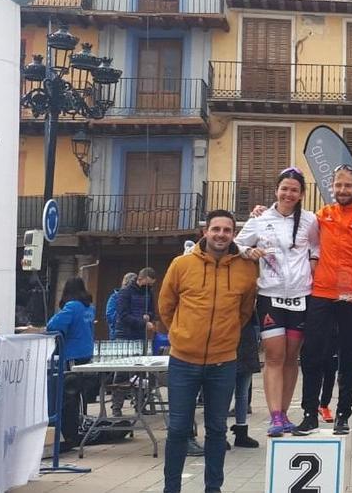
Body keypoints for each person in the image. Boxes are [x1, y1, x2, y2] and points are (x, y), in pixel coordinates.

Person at [157, 209, 259, 493]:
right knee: (178, 429)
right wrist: (182, 333)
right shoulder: (181, 264)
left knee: (217, 430)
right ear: (205, 231)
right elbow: (166, 306)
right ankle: (171, 488)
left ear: (233, 234)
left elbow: (245, 310)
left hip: (223, 363)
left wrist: (227, 337)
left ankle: (213, 488)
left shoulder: (247, 268)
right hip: (183, 361)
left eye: (227, 230)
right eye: (216, 229)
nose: (221, 235)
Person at [296, 164, 352, 435]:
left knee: (348, 357)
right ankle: (309, 413)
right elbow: (294, 223)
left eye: (348, 185)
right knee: (312, 355)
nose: (342, 190)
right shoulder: (322, 216)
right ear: (331, 187)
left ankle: (343, 413)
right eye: (338, 185)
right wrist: (262, 212)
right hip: (322, 294)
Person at [236, 167, 320, 437]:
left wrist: (313, 266)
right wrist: (250, 251)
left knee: (292, 357)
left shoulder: (310, 220)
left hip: (300, 295)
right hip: (270, 296)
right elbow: (236, 245)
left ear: (302, 194)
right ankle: (274, 416)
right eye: (284, 188)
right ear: (276, 190)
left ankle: (284, 413)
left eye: (294, 189)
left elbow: (316, 248)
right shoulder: (260, 219)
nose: (288, 193)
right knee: (274, 356)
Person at [46, 277, 96, 451]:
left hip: (72, 353)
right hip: (86, 352)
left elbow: (53, 324)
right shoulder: (89, 308)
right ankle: (77, 430)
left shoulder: (72, 307)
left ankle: (69, 434)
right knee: (79, 394)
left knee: (69, 395)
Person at [112, 266, 157, 416]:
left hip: (140, 335)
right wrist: (142, 322)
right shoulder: (125, 293)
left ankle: (140, 404)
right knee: (122, 372)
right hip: (125, 335)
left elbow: (152, 310)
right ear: (140, 279)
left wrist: (148, 316)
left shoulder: (149, 293)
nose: (149, 287)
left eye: (151, 285)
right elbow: (123, 316)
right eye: (147, 283)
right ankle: (116, 407)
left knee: (141, 372)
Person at [230, 318, 261, 448]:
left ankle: (240, 431)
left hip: (244, 337)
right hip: (233, 336)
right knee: (236, 393)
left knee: (241, 393)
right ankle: (229, 433)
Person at [105, 272, 137, 339]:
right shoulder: (115, 297)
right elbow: (110, 315)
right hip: (118, 334)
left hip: (135, 334)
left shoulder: (136, 297)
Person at [318, 325, 339, 423]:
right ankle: (313, 406)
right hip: (318, 327)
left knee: (330, 371)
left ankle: (324, 405)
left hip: (335, 332)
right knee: (316, 370)